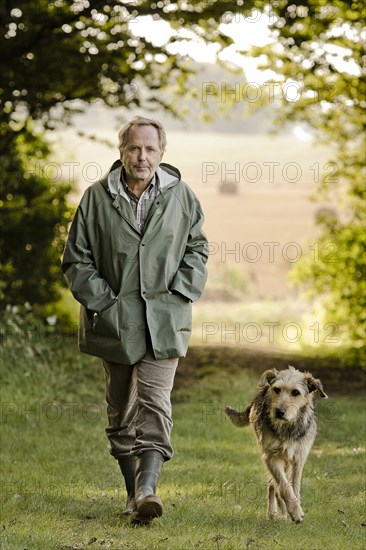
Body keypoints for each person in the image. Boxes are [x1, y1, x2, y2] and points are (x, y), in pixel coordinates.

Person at [61, 116, 208, 525]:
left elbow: (197, 248)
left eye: (149, 149)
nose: (141, 156)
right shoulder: (95, 198)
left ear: (162, 153)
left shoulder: (182, 197)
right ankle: (133, 492)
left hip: (165, 321)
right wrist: (106, 304)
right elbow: (76, 260)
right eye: (133, 148)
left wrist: (180, 292)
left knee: (156, 404)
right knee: (120, 412)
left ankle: (148, 490)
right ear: (121, 151)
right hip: (115, 323)